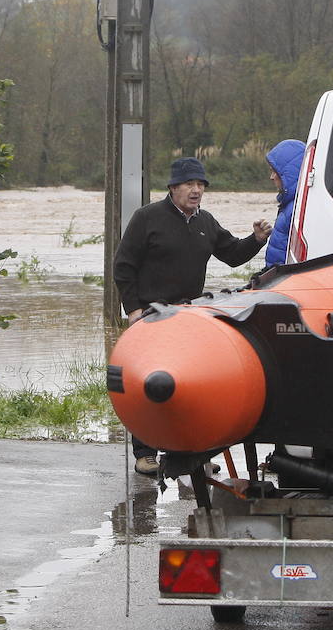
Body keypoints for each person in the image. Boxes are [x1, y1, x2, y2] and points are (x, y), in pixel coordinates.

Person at [113, 156, 271, 476]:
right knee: (147, 385)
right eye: (189, 184)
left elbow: (232, 255)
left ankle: (187, 454)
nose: (195, 190)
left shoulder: (206, 222)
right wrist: (133, 310)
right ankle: (146, 453)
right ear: (172, 188)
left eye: (200, 184)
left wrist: (255, 240)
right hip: (150, 316)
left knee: (186, 387)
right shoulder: (147, 218)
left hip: (187, 316)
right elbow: (123, 266)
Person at [264, 139, 306, 268]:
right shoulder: (292, 206)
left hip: (283, 281)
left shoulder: (296, 210)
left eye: (274, 171)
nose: (271, 177)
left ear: (287, 174)